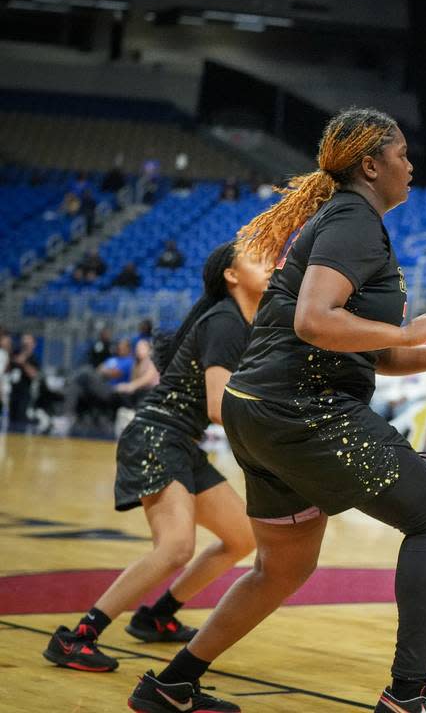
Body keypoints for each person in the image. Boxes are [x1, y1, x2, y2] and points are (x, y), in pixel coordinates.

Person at [127, 109, 426, 713]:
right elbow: (316, 322)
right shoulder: (352, 219)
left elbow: (362, 352)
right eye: (402, 154)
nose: (411, 165)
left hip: (261, 411)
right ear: (371, 164)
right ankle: (408, 694)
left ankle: (172, 685)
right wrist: (405, 327)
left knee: (281, 569)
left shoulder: (344, 221)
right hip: (303, 409)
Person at [43, 242, 270, 675]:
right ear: (231, 275)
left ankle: (156, 615)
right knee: (176, 547)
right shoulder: (225, 320)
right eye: (258, 259)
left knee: (241, 536)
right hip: (156, 435)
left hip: (181, 441)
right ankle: (78, 637)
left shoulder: (243, 324)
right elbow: (220, 408)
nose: (271, 266)